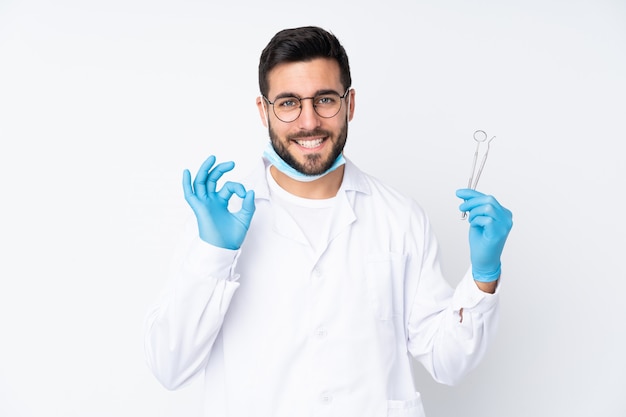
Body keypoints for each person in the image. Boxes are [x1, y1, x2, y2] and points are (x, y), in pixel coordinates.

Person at [144, 26, 513, 417]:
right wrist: (214, 254)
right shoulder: (219, 219)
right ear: (263, 110)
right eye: (288, 103)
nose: (308, 122)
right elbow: (170, 368)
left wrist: (483, 276)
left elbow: (448, 361)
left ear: (349, 103)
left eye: (324, 99)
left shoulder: (399, 218)